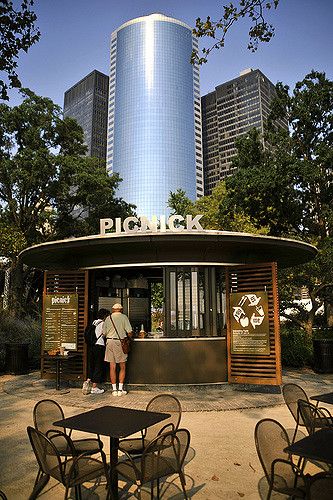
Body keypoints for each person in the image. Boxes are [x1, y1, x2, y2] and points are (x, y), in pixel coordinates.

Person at [103, 303, 133, 396]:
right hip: (120, 343)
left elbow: (103, 333)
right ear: (121, 309)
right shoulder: (124, 317)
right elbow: (129, 332)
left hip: (109, 342)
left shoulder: (108, 318)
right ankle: (120, 390)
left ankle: (114, 390)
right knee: (122, 366)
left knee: (112, 367)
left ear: (113, 309)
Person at [87, 308, 110, 394]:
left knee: (92, 365)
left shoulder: (94, 322)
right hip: (99, 346)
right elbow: (105, 334)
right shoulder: (103, 323)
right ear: (105, 316)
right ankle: (94, 387)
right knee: (98, 366)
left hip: (92, 346)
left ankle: (88, 383)